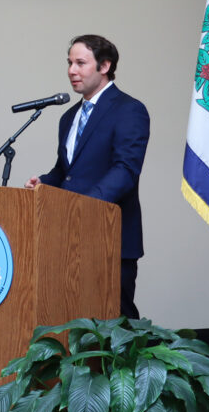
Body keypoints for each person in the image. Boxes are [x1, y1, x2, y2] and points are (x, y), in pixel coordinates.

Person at [25, 34, 150, 319]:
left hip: (109, 237)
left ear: (104, 66)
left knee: (116, 321)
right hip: (69, 237)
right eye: (69, 63)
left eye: (81, 63)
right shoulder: (69, 117)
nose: (72, 70)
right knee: (72, 317)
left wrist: (82, 206)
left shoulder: (129, 110)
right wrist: (45, 182)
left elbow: (125, 170)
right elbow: (65, 171)